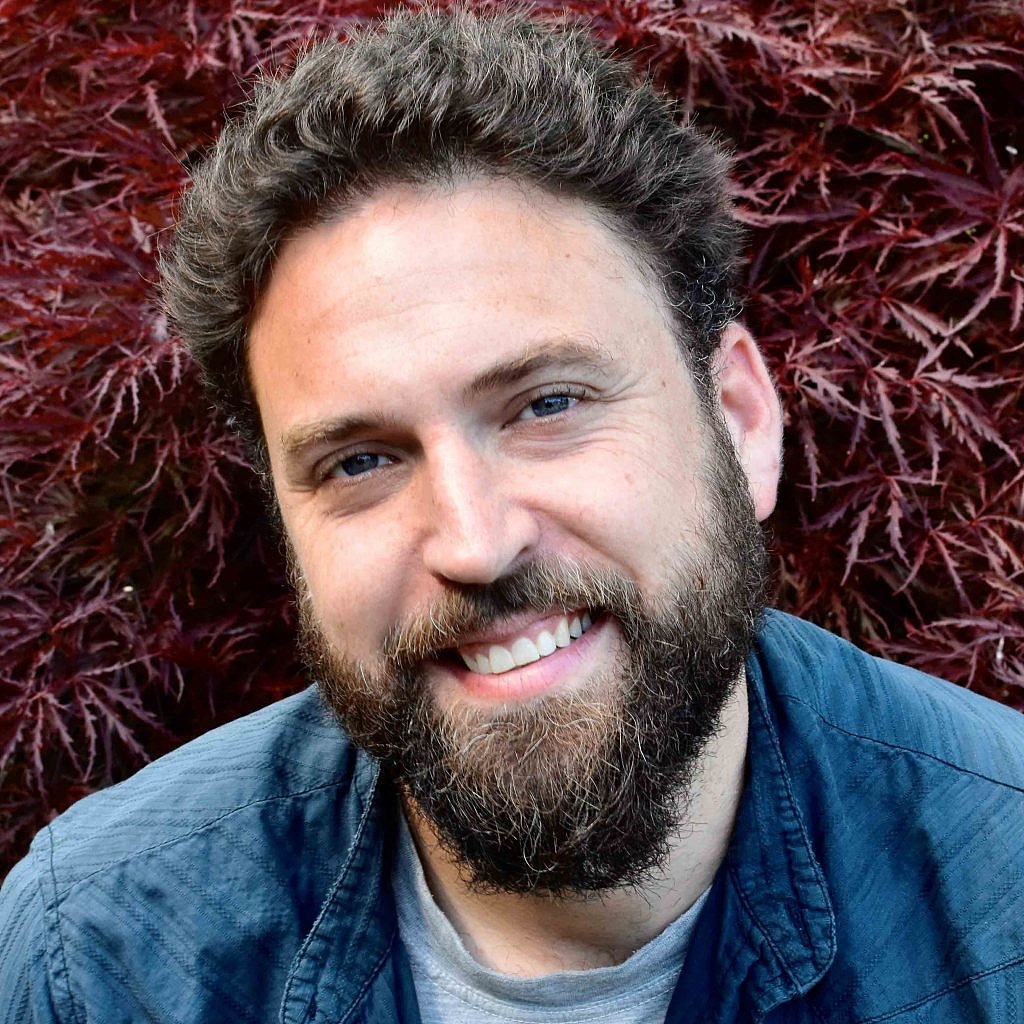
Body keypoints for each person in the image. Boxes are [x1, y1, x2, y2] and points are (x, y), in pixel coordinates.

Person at [2, 8, 1023, 1023]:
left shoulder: (1002, 898)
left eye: (547, 406)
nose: (476, 542)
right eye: (360, 461)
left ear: (740, 421)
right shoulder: (95, 963)